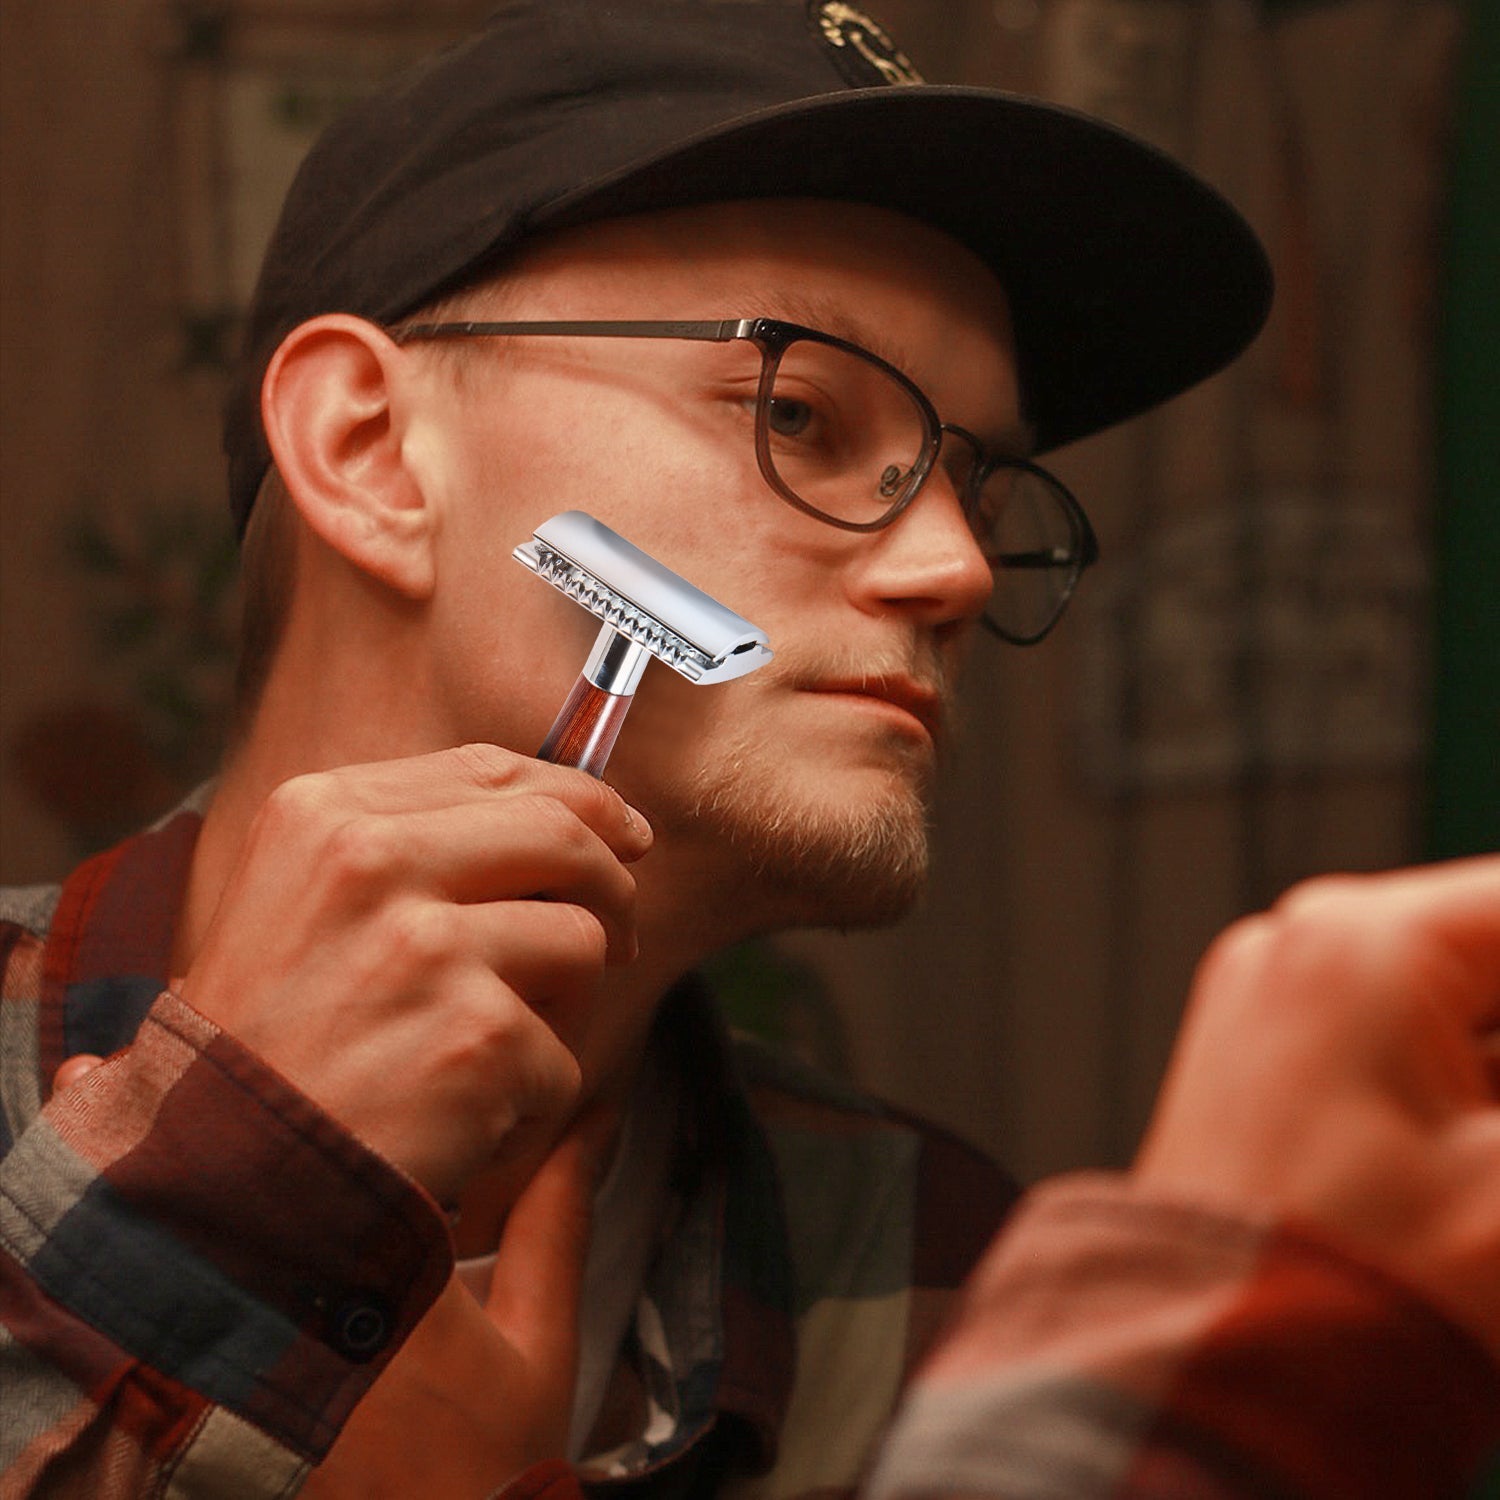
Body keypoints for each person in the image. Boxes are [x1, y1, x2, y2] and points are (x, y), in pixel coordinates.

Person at [1, 2, 1495, 1496]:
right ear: (368, 450)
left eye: (980, 488)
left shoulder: (950, 1280)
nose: (958, 569)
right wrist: (215, 1240)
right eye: (800, 414)